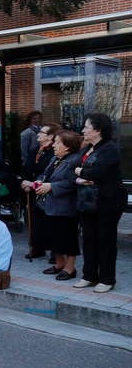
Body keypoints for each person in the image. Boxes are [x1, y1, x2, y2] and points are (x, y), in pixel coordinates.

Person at [73, 113, 126, 293]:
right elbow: (76, 169)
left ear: (98, 130)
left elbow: (97, 173)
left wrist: (82, 173)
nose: (83, 130)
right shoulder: (88, 149)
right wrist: (83, 175)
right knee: (88, 239)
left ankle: (107, 279)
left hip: (107, 202)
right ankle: (89, 275)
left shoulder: (109, 149)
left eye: (87, 127)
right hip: (87, 202)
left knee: (106, 241)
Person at [23, 129, 81, 280]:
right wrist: (39, 182)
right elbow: (46, 174)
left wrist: (51, 187)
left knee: (67, 238)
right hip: (50, 205)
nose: (54, 145)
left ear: (67, 146)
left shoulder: (74, 160)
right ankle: (59, 263)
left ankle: (70, 268)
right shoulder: (56, 158)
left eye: (57, 142)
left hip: (66, 207)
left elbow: (71, 183)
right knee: (54, 237)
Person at [21, 123, 58, 260]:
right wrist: (24, 182)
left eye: (42, 132)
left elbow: (48, 172)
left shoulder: (54, 151)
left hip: (47, 191)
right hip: (32, 190)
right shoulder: (35, 149)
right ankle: (37, 248)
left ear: (51, 136)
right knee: (35, 221)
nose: (38, 134)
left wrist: (34, 183)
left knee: (50, 222)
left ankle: (55, 253)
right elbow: (27, 167)